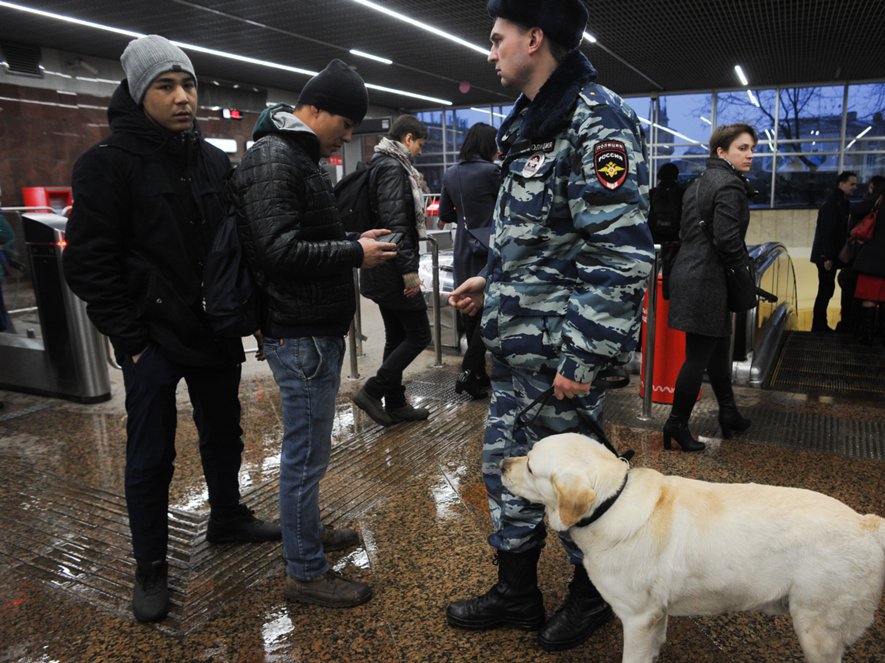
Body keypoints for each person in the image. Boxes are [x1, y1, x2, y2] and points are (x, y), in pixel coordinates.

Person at [445, 0, 654, 652]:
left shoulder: (596, 120)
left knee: (576, 486)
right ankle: (516, 592)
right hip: (517, 348)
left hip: (559, 354)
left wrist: (582, 356)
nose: (490, 52)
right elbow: (539, 239)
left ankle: (596, 595)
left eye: (497, 38)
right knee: (506, 470)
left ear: (534, 38)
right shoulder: (532, 123)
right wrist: (492, 283)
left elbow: (619, 252)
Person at [62, 35, 281, 624]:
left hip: (213, 329)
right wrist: (131, 338)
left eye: (188, 84)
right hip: (153, 338)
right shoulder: (107, 165)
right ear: (139, 93)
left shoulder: (209, 159)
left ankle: (228, 516)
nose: (183, 97)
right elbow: (87, 263)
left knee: (225, 433)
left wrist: (247, 315)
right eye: (166, 86)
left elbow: (234, 246)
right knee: (150, 454)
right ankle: (151, 565)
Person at [230, 60, 397, 609]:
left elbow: (297, 234)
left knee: (310, 453)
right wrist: (353, 251)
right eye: (345, 124)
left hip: (310, 328)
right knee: (304, 458)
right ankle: (304, 571)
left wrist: (352, 237)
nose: (347, 136)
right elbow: (278, 250)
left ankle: (307, 534)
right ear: (316, 109)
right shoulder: (275, 157)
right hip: (298, 332)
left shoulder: (293, 156)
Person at [665, 123, 758, 450]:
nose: (750, 155)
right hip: (708, 279)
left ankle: (729, 411)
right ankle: (676, 423)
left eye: (752, 148)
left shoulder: (697, 183)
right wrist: (743, 274)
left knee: (718, 346)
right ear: (721, 151)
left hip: (689, 271)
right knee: (697, 356)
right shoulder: (730, 185)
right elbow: (728, 241)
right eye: (742, 148)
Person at [351, 115, 434, 426]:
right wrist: (409, 273)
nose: (420, 152)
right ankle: (372, 391)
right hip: (392, 268)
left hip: (382, 266)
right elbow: (395, 225)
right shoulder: (392, 167)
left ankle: (396, 403)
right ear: (408, 138)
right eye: (420, 144)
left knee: (397, 336)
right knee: (420, 335)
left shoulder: (381, 163)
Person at [438, 122, 501, 399]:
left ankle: (477, 374)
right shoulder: (492, 172)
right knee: (489, 312)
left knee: (470, 310)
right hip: (490, 247)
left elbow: (445, 213)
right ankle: (467, 372)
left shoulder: (451, 173)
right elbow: (507, 208)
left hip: (463, 246)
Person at [810, 171, 857, 332]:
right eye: (852, 184)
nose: (855, 187)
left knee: (827, 289)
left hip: (830, 255)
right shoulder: (832, 204)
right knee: (825, 290)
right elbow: (827, 232)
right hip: (826, 256)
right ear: (841, 185)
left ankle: (819, 325)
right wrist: (827, 257)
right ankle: (818, 325)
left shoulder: (842, 203)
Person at [850, 175, 885, 345]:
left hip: (873, 258)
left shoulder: (879, 199)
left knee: (869, 296)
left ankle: (868, 335)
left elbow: (856, 210)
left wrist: (872, 195)